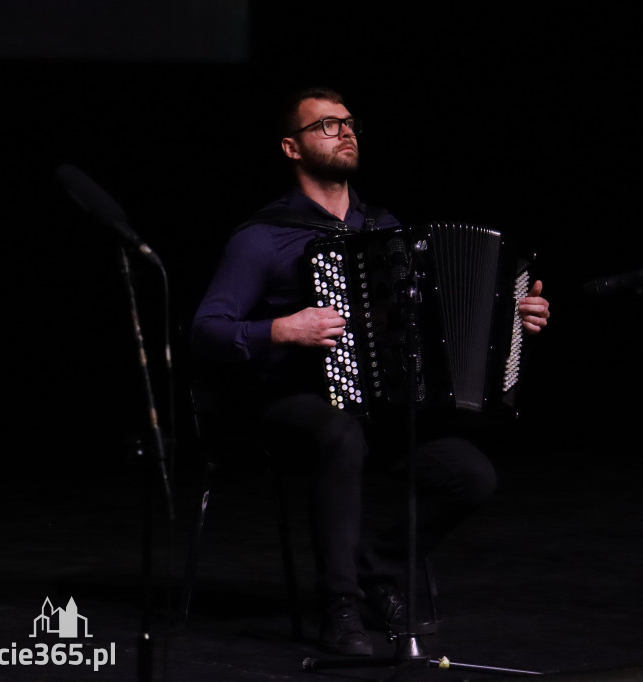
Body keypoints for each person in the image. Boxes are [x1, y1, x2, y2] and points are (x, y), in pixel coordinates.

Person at [189, 86, 550, 656]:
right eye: (327, 126)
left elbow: (433, 321)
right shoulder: (263, 238)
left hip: (376, 406)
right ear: (292, 147)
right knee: (339, 431)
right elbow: (205, 331)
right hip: (289, 401)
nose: (346, 132)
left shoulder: (384, 227)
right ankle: (339, 605)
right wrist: (283, 329)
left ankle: (375, 570)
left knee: (470, 475)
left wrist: (510, 315)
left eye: (349, 123)